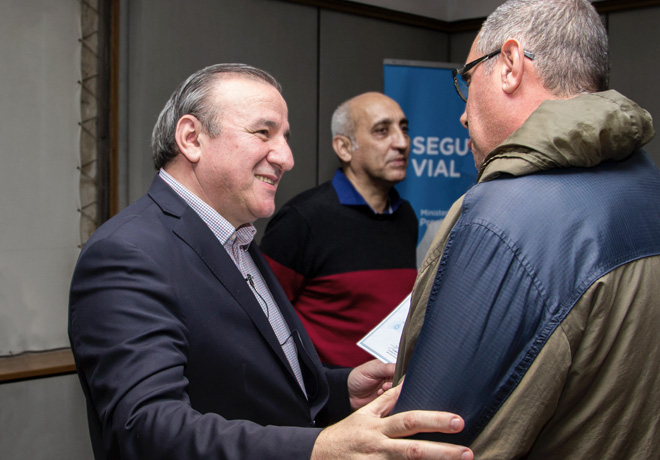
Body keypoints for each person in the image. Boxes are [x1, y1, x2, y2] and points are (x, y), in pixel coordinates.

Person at [68, 63, 474, 460]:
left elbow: (257, 383)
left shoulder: (236, 238)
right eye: (264, 132)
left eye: (284, 136)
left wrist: (340, 388)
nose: (286, 157)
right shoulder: (126, 253)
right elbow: (146, 430)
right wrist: (319, 448)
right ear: (192, 138)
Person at [393, 0, 660, 459]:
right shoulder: (648, 185)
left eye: (468, 78)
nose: (461, 114)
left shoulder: (498, 217)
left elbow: (428, 439)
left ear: (511, 65)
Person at [260, 92, 417, 367]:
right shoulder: (303, 220)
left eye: (404, 129)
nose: (402, 143)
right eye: (382, 131)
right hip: (326, 404)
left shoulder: (405, 216)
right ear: (344, 148)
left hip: (393, 399)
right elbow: (261, 321)